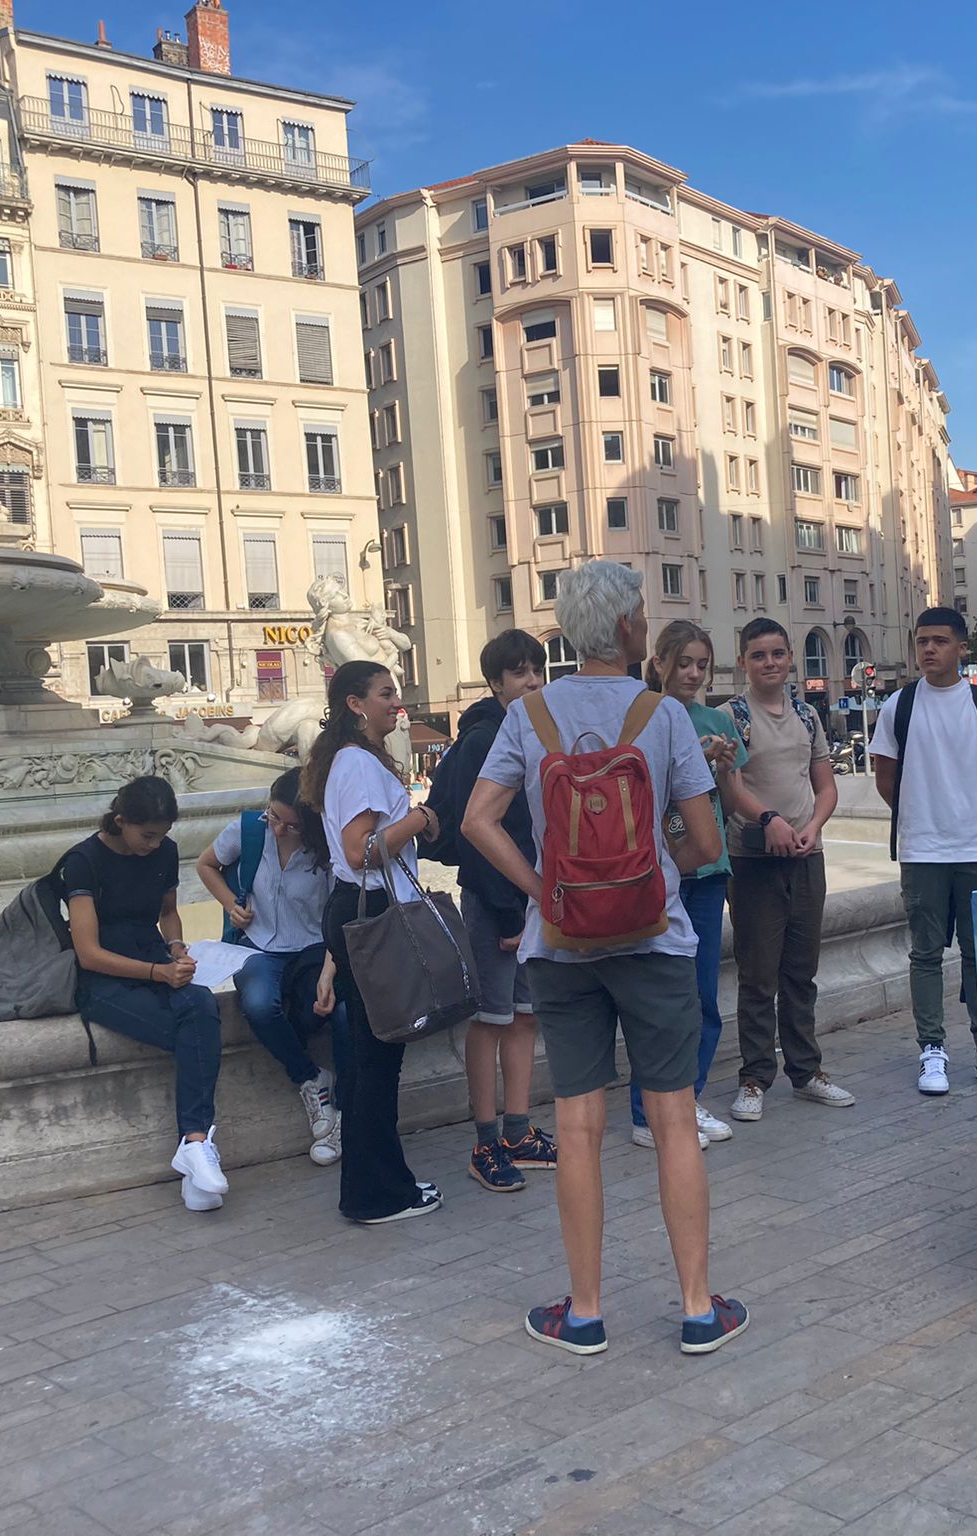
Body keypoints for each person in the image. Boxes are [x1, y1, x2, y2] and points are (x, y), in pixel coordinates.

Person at [462, 560, 748, 1357]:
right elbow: (706, 837)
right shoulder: (662, 715)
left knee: (578, 1125)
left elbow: (479, 821)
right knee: (673, 1120)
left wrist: (547, 890)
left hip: (562, 948)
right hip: (654, 941)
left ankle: (583, 1312)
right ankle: (697, 1308)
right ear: (629, 628)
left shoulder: (530, 713)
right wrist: (650, 877)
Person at [300, 660, 442, 1225]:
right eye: (385, 694)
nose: (396, 703)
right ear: (355, 703)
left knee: (368, 1057)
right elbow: (362, 851)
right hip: (376, 910)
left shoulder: (348, 760)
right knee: (378, 1059)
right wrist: (421, 817)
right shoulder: (357, 762)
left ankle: (376, 1182)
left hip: (355, 909)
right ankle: (377, 1193)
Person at [426, 628, 561, 1192]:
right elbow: (474, 834)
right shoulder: (484, 739)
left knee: (525, 1018)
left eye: (538, 669)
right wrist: (510, 915)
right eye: (519, 672)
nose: (532, 681)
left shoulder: (529, 730)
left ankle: (518, 1130)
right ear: (496, 682)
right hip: (496, 904)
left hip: (528, 902)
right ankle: (486, 1142)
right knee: (490, 1022)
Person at [56, 776, 227, 1211]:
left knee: (203, 1006)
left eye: (162, 835)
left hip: (157, 961)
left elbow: (168, 914)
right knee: (193, 1035)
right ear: (120, 821)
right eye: (146, 835)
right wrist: (158, 971)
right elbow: (89, 954)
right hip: (104, 980)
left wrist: (176, 948)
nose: (154, 844)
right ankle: (196, 1149)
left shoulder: (165, 853)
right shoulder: (82, 862)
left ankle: (193, 1151)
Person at [870, 607, 977, 1095]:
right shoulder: (900, 705)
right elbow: (885, 776)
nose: (928, 650)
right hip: (922, 850)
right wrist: (924, 816)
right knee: (926, 952)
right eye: (921, 641)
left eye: (939, 641)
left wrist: (976, 817)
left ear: (961, 648)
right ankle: (931, 1049)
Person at [723, 618, 853, 1124]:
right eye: (758, 655)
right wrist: (769, 819)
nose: (770, 663)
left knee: (801, 972)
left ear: (791, 657)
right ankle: (754, 1077)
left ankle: (806, 1071)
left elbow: (825, 785)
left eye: (778, 653)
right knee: (757, 975)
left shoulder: (807, 714)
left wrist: (814, 827)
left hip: (805, 855)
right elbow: (730, 786)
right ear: (743, 662)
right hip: (753, 857)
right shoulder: (730, 716)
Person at [193, 767, 343, 1167]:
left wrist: (331, 967)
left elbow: (338, 912)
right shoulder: (249, 830)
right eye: (273, 817)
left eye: (290, 826)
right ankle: (311, 1079)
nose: (278, 829)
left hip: (312, 946)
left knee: (318, 1009)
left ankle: (334, 1099)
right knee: (259, 1004)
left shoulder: (326, 848)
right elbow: (205, 865)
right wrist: (230, 904)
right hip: (257, 945)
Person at [632, 620, 744, 1150]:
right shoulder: (644, 716)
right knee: (659, 996)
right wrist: (694, 760)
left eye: (703, 664)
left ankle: (688, 1096)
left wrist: (721, 764)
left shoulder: (713, 717)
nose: (694, 673)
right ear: (659, 663)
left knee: (701, 992)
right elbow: (640, 789)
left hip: (708, 872)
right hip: (661, 870)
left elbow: (732, 794)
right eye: (684, 663)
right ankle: (647, 1110)